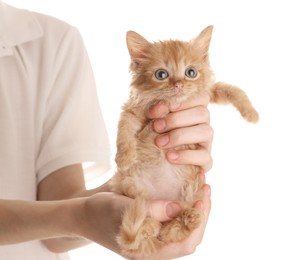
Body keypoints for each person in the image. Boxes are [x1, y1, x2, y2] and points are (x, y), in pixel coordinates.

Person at [0, 2, 213, 259]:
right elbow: (71, 214)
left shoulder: (53, 41)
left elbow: (55, 231)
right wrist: (82, 215)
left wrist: (150, 181)